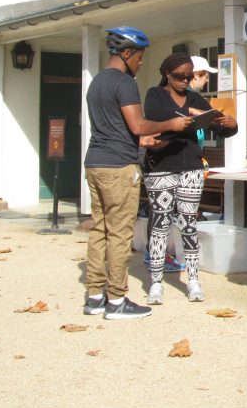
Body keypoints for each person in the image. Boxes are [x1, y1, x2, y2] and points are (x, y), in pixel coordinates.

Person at [83, 26, 191, 320]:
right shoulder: (125, 82)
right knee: (119, 233)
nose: (141, 63)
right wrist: (171, 124)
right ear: (127, 53)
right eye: (140, 56)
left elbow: (115, 129)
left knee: (99, 230)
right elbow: (138, 125)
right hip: (119, 166)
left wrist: (143, 141)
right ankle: (117, 300)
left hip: (95, 162)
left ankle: (94, 296)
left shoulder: (96, 82)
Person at [143, 53, 237, 305]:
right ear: (167, 74)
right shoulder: (155, 94)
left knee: (188, 225)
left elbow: (218, 124)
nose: (185, 81)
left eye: (189, 76)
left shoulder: (195, 98)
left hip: (191, 168)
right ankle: (155, 282)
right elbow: (158, 117)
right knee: (161, 225)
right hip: (161, 166)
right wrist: (188, 116)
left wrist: (229, 123)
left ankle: (193, 280)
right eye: (179, 76)